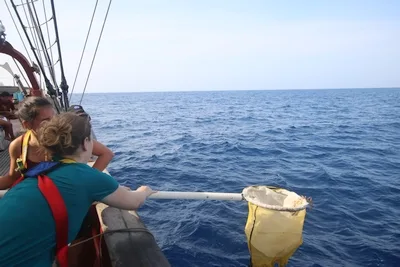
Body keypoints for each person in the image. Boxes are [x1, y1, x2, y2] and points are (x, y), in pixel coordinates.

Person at [0, 112, 155, 266]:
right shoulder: (87, 176)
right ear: (85, 143)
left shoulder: (44, 171)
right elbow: (134, 202)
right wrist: (144, 191)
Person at [0, 96, 114, 189]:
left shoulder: (66, 135)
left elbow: (106, 154)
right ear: (27, 125)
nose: (53, 123)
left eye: (54, 118)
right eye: (46, 120)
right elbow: (12, 178)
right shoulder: (18, 146)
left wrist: (86, 181)